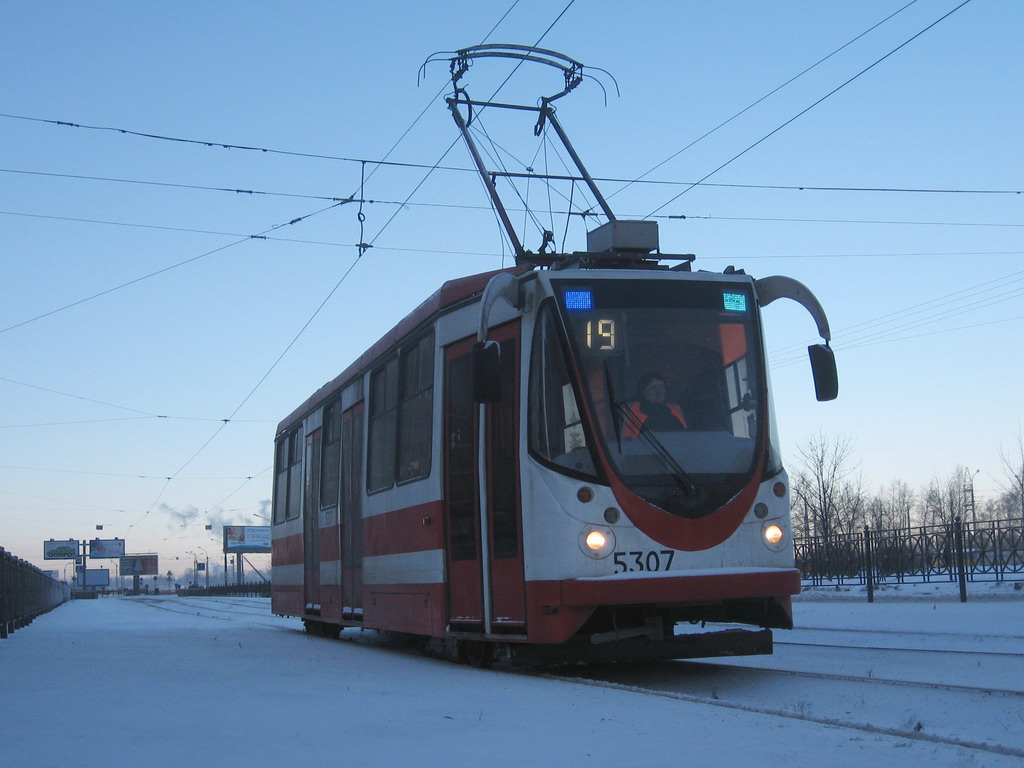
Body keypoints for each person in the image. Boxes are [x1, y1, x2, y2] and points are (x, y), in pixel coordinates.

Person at [623, 373, 687, 439]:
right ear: (643, 391)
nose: (658, 391)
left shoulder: (676, 408)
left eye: (661, 387)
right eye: (653, 388)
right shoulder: (629, 409)